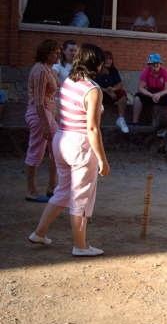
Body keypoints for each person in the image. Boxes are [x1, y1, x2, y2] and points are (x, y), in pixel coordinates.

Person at [29, 43, 110, 257]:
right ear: (97, 64)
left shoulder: (68, 82)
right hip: (80, 143)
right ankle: (80, 245)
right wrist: (103, 159)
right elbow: (92, 128)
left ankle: (39, 233)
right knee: (81, 197)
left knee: (63, 191)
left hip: (62, 138)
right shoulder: (92, 89)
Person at [25, 39, 60, 203]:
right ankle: (31, 191)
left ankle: (52, 188)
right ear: (47, 53)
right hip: (40, 115)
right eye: (55, 52)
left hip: (47, 115)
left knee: (56, 151)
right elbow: (39, 101)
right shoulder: (40, 70)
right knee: (36, 152)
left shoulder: (48, 69)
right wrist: (45, 124)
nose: (58, 55)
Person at [132, 53, 167, 132]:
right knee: (137, 97)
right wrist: (151, 95)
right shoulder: (145, 72)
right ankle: (135, 122)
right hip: (150, 94)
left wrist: (159, 94)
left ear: (160, 64)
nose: (155, 65)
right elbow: (140, 88)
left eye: (157, 63)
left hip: (162, 94)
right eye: (153, 64)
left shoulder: (165, 72)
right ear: (149, 65)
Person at [96, 50, 129, 134]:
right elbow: (93, 85)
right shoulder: (97, 71)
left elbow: (120, 84)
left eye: (110, 59)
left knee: (122, 93)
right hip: (100, 94)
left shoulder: (113, 70)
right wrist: (106, 90)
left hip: (111, 94)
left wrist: (113, 89)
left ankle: (121, 119)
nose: (108, 61)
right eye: (106, 59)